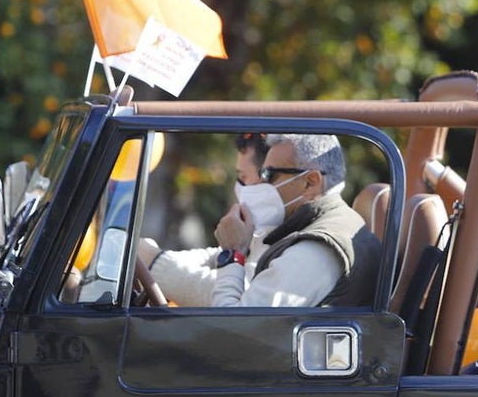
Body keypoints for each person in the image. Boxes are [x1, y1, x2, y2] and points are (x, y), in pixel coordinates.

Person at [141, 132, 381, 308]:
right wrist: (149, 256)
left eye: (269, 175)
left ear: (311, 182)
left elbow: (236, 330)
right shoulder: (302, 227)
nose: (260, 185)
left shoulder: (315, 250)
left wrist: (233, 252)